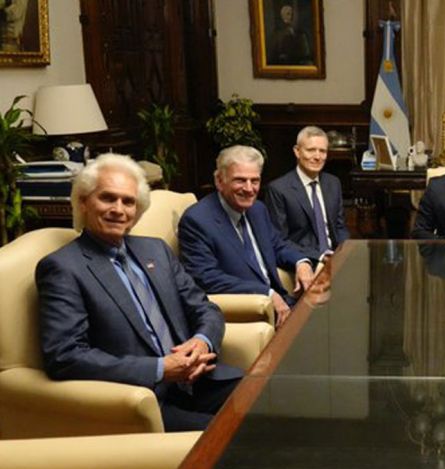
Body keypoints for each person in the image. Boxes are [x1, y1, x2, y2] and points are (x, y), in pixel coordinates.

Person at [36, 153, 242, 431]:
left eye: (128, 201)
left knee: (275, 399)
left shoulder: (155, 249)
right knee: (240, 435)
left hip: (198, 382)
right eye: (107, 198)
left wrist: (202, 341)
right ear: (83, 202)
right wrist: (160, 368)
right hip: (146, 399)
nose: (118, 209)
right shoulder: (62, 267)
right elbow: (66, 355)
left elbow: (205, 308)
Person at [178, 145, 313, 329]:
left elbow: (277, 245)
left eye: (255, 181)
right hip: (251, 314)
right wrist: (266, 293)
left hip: (284, 303)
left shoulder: (257, 209)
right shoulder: (197, 221)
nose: (249, 189)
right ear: (219, 180)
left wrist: (301, 262)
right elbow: (206, 277)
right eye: (240, 180)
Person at [264, 126, 349, 261]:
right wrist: (320, 257)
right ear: (297, 151)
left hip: (335, 258)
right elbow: (280, 240)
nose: (317, 157)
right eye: (311, 150)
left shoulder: (333, 183)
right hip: (303, 259)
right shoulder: (278, 189)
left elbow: (340, 227)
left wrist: (345, 250)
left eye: (322, 151)